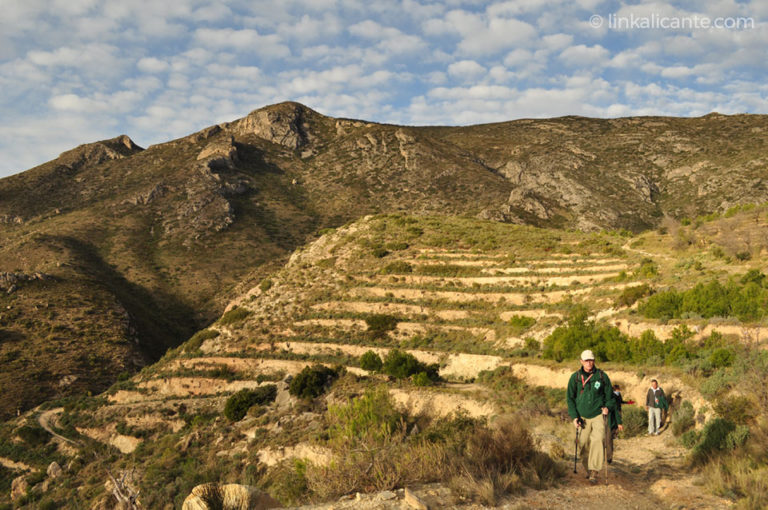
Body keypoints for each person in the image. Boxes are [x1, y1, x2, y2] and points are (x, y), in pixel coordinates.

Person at [567, 349, 616, 484]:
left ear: (594, 361)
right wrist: (574, 417)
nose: (589, 363)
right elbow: (570, 399)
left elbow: (610, 398)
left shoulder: (601, 376)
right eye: (586, 360)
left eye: (591, 360)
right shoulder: (575, 377)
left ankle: (594, 471)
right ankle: (588, 468)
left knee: (598, 440)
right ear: (581, 361)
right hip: (582, 416)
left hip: (598, 415)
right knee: (582, 444)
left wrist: (607, 407)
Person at [606, 384, 633, 463]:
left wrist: (628, 402)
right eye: (618, 389)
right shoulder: (609, 396)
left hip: (616, 411)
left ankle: (609, 457)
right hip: (610, 415)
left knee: (609, 439)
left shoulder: (617, 396)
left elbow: (620, 402)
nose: (619, 391)